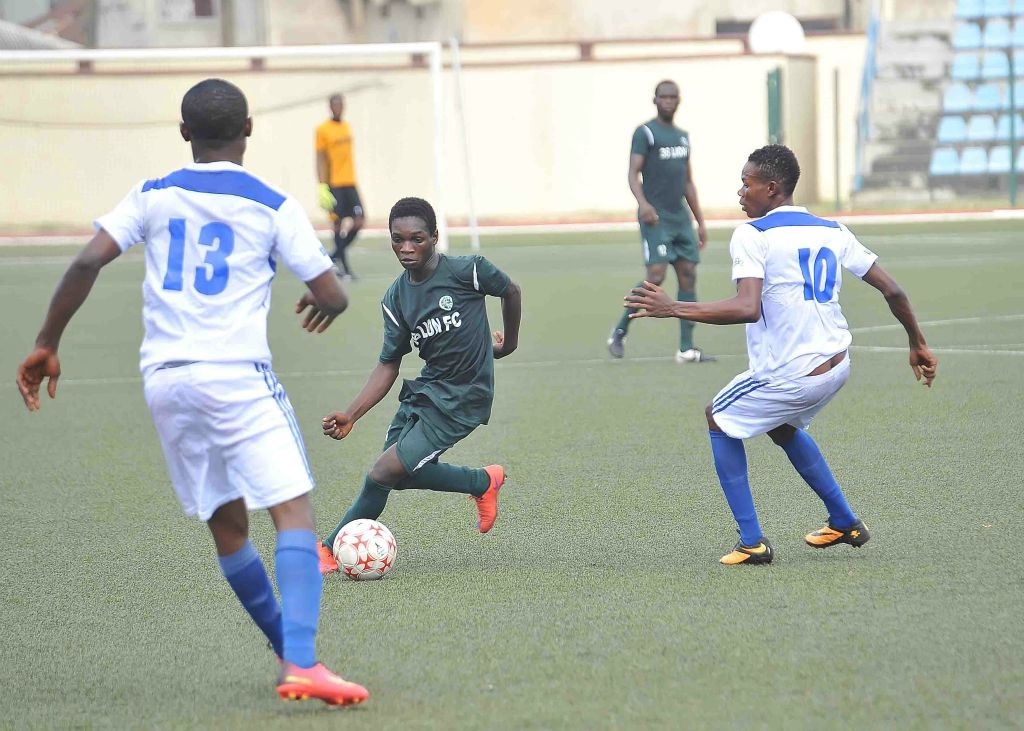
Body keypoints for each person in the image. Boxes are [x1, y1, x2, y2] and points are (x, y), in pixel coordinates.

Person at [15, 79, 369, 705]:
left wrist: (47, 340)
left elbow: (86, 262)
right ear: (249, 130)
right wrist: (325, 304)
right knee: (293, 511)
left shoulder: (152, 194)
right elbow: (333, 293)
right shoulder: (271, 203)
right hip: (235, 372)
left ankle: (290, 655)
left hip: (167, 380)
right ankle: (304, 662)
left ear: (184, 134)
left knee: (229, 525)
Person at [625, 144, 937, 566]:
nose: (740, 192)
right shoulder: (832, 229)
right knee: (782, 426)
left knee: (717, 417)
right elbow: (893, 289)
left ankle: (751, 542)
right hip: (837, 365)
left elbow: (746, 307)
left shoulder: (753, 235)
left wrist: (673, 307)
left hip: (792, 373)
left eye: (746, 183)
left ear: (771, 188)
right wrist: (917, 342)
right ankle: (845, 521)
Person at [317, 197, 522, 573]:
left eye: (417, 239)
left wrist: (507, 344)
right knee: (395, 476)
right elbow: (388, 364)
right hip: (427, 392)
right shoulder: (396, 298)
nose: (407, 248)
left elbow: (511, 291)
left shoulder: (468, 271)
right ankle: (482, 481)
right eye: (398, 240)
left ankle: (328, 550)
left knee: (381, 472)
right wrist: (351, 415)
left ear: (435, 237)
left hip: (467, 395)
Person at [608, 79, 713, 363]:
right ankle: (620, 330)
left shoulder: (682, 137)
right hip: (655, 218)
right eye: (663, 97)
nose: (668, 101)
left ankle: (686, 348)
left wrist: (700, 221)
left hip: (680, 219)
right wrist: (643, 205)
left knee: (688, 274)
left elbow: (688, 182)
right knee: (656, 275)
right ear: (655, 100)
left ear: (679, 101)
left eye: (673, 97)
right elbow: (633, 174)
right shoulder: (645, 133)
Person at [315, 93, 364, 279]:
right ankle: (345, 269)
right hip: (333, 183)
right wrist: (322, 186)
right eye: (335, 104)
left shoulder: (347, 127)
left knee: (360, 220)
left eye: (341, 104)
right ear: (330, 107)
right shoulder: (322, 130)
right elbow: (320, 158)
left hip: (350, 181)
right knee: (337, 224)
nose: (338, 107)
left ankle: (333, 256)